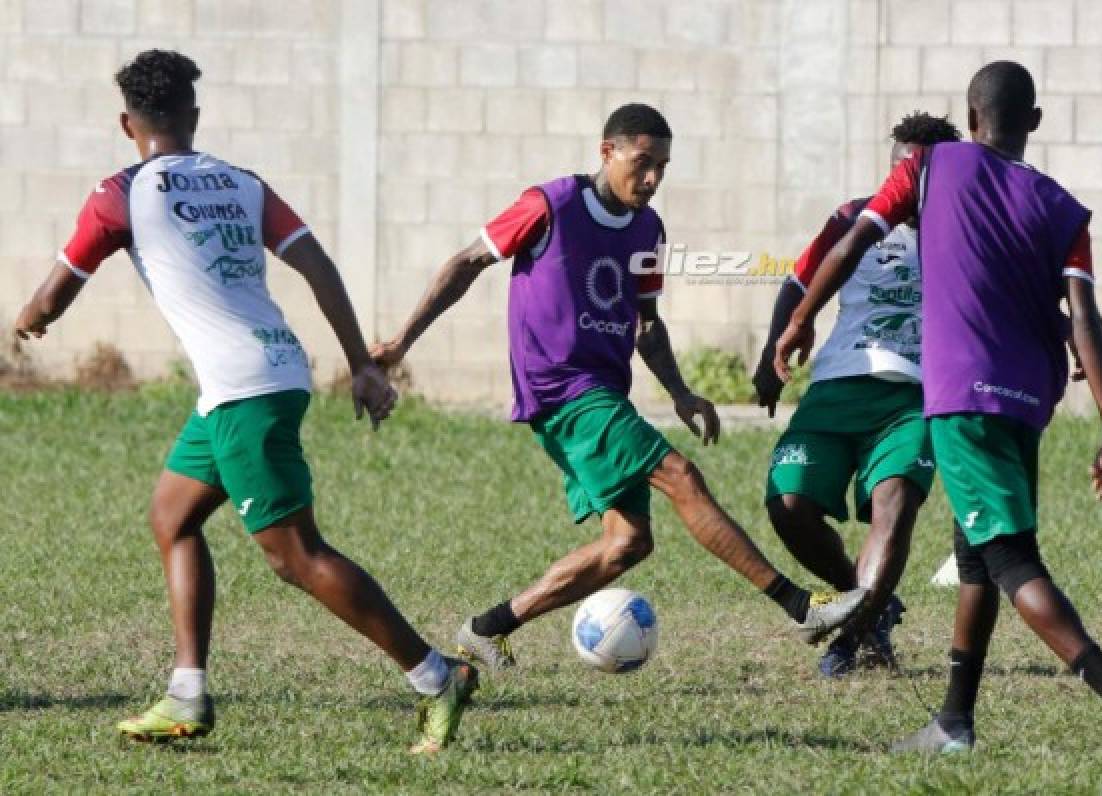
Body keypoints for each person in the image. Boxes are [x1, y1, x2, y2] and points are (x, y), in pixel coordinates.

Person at [13, 50, 475, 754]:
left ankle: (438, 676)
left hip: (244, 392)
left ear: (125, 122)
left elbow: (52, 295)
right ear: (194, 117)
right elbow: (317, 263)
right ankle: (187, 693)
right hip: (267, 371)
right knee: (173, 516)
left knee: (297, 557)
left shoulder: (120, 193)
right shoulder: (244, 184)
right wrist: (359, 364)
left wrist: (29, 321)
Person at [373, 103, 865, 675]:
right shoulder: (551, 204)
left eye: (663, 166)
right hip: (561, 390)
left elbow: (646, 323)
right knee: (680, 476)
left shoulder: (647, 228)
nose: (653, 178)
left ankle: (488, 628)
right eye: (643, 162)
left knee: (626, 544)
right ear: (608, 153)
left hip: (603, 392)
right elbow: (466, 263)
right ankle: (800, 606)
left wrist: (681, 393)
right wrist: (401, 342)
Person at [774, 61, 1102, 754]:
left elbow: (854, 240)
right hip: (1027, 401)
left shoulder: (927, 165)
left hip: (963, 396)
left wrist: (802, 317)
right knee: (976, 555)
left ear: (970, 114)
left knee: (1011, 558)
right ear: (1035, 123)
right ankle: (955, 721)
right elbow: (1084, 316)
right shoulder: (1060, 206)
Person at [753, 112, 962, 678]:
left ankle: (852, 640)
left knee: (892, 510)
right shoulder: (854, 218)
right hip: (837, 385)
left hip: (916, 396)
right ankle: (870, 604)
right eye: (899, 168)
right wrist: (772, 352)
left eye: (918, 172)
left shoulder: (969, 231)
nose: (906, 182)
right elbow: (797, 282)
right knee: (788, 505)